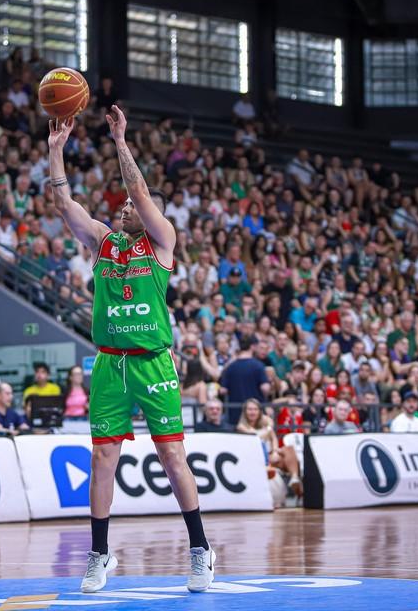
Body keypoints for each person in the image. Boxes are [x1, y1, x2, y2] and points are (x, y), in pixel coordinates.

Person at [46, 107, 215, 593]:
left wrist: (120, 139)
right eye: (121, 207)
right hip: (109, 365)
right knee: (102, 460)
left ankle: (200, 549)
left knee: (172, 457)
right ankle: (99, 554)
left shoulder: (162, 243)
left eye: (132, 207)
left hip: (153, 362)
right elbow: (64, 206)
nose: (124, 208)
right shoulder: (104, 242)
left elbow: (139, 190)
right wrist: (56, 151)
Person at [218, 335, 270, 423]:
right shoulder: (258, 365)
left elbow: (223, 390)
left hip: (235, 414)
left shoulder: (230, 367)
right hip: (254, 414)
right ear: (252, 347)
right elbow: (265, 388)